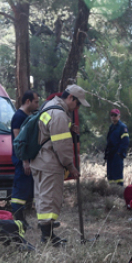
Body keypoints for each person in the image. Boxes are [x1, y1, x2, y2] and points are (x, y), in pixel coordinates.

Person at [30, 85, 90, 245]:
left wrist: (68, 127)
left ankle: (48, 234)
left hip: (39, 160)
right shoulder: (59, 114)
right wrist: (71, 166)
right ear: (70, 98)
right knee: (50, 198)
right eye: (77, 103)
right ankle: (47, 237)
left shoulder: (49, 106)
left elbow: (48, 130)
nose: (77, 107)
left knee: (42, 197)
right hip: (49, 162)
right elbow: (61, 146)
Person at [9, 90, 41, 224]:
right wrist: (25, 161)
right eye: (36, 102)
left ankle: (24, 218)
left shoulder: (29, 116)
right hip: (22, 160)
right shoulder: (19, 117)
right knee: (20, 190)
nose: (37, 105)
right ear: (28, 101)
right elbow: (19, 142)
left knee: (28, 189)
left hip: (29, 159)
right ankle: (19, 219)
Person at [105, 108, 129, 186]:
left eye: (115, 115)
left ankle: (119, 189)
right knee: (110, 174)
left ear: (119, 116)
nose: (113, 117)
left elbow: (125, 141)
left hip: (117, 154)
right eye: (111, 115)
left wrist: (119, 153)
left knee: (117, 175)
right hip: (110, 154)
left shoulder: (122, 127)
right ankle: (112, 189)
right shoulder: (111, 127)